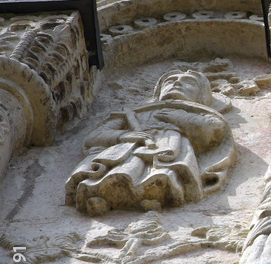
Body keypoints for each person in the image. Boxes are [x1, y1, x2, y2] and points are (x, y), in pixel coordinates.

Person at [66, 69, 235, 215]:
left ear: (201, 94)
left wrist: (180, 118)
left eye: (189, 82)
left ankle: (153, 197)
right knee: (119, 170)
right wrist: (126, 136)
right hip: (125, 149)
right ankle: (98, 196)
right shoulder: (135, 113)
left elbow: (215, 129)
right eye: (170, 81)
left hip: (167, 147)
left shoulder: (198, 113)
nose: (176, 84)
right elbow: (94, 137)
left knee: (160, 172)